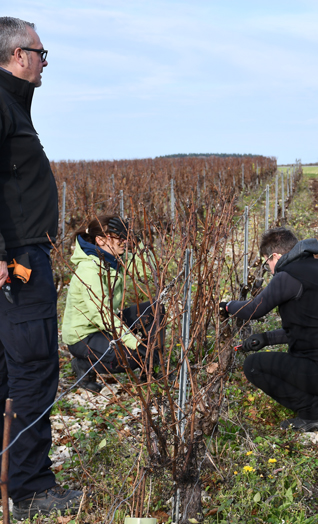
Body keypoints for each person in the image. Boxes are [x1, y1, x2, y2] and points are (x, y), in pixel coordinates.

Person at [0, 17, 83, 518]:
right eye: (41, 52)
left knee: (9, 372)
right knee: (32, 368)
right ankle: (30, 488)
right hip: (18, 262)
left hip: (17, 260)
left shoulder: (12, 105)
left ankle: (11, 476)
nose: (45, 62)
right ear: (17, 55)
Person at [220, 228, 318, 432]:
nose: (270, 269)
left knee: (254, 365)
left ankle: (315, 413)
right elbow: (312, 328)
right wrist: (266, 338)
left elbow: (253, 309)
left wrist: (226, 306)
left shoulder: (288, 276)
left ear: (276, 256)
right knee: (317, 354)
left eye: (267, 262)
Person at [61, 216, 163, 393]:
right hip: (83, 335)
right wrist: (134, 343)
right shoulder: (89, 269)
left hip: (105, 324)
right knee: (133, 355)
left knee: (155, 309)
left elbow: (150, 268)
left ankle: (152, 367)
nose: (124, 240)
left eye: (125, 236)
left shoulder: (115, 257)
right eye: (119, 236)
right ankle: (84, 364)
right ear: (100, 240)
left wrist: (136, 240)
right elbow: (102, 315)